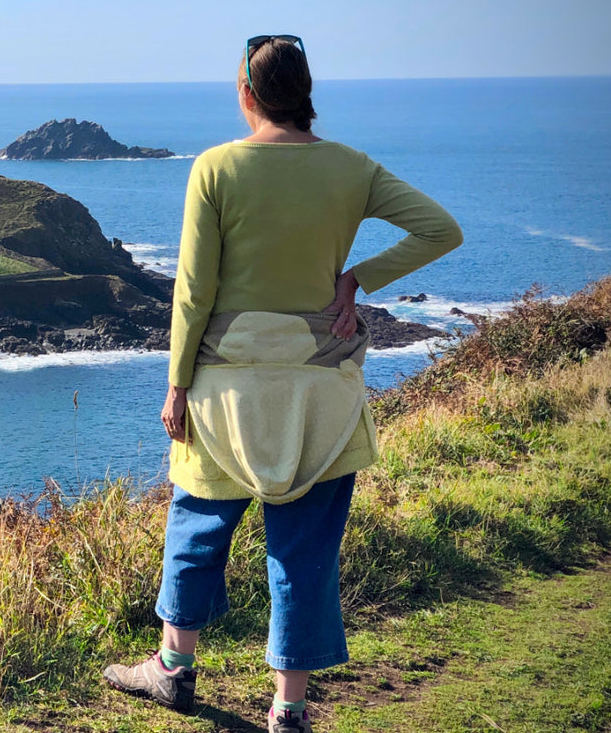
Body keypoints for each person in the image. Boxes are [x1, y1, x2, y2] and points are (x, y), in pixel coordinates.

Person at [101, 36, 462, 733]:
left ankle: (173, 669)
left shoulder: (216, 168)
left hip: (224, 391)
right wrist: (359, 278)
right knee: (302, 550)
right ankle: (288, 708)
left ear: (246, 93)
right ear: (304, 94)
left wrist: (177, 384)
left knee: (197, 526)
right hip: (319, 393)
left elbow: (193, 292)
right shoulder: (351, 168)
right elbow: (439, 229)